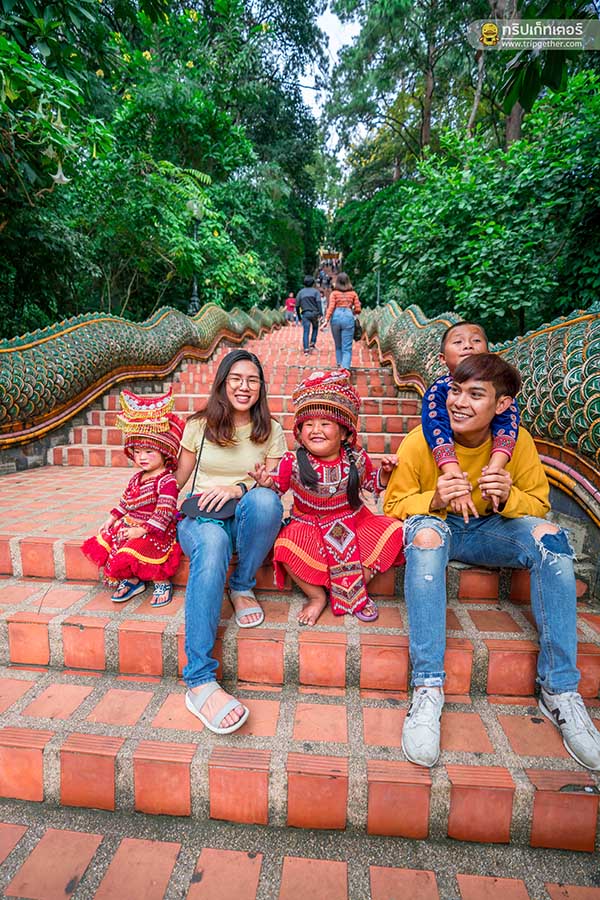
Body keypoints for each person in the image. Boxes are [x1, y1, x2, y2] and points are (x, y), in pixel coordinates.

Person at [384, 353, 600, 771]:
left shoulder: (517, 443)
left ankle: (560, 689)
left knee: (552, 540)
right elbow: (393, 505)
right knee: (426, 537)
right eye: (456, 391)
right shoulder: (420, 440)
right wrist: (435, 498)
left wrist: (508, 496)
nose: (459, 402)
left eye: (475, 394)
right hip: (439, 526)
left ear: (501, 404)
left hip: (489, 529)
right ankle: (427, 687)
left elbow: (538, 504)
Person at [175, 349, 286, 734]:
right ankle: (199, 679)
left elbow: (272, 484)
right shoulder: (198, 425)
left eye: (253, 380)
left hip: (245, 519)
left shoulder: (271, 430)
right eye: (236, 378)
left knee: (266, 501)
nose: (244, 386)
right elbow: (177, 479)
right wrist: (141, 500)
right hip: (201, 519)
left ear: (261, 387)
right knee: (213, 545)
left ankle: (241, 586)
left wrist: (241, 487)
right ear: (222, 382)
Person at [252, 369, 404, 626]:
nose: (316, 430)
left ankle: (356, 588)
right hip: (309, 527)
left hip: (355, 522)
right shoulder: (292, 462)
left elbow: (371, 483)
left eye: (325, 424)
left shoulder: (357, 458)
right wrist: (267, 483)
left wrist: (386, 473)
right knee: (285, 546)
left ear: (344, 433)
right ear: (299, 432)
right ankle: (317, 596)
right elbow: (278, 487)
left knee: (395, 530)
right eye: (308, 424)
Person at [82, 389, 184, 607]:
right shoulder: (137, 478)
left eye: (148, 451)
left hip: (156, 529)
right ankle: (133, 580)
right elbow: (125, 502)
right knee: (114, 540)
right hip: (132, 524)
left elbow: (164, 513)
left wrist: (142, 530)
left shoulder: (166, 481)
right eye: (137, 452)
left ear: (164, 451)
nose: (141, 457)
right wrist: (112, 518)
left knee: (142, 547)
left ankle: (161, 581)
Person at [423, 322, 520, 520]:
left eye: (476, 340)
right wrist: (455, 479)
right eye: (458, 342)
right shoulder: (438, 391)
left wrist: (494, 470)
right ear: (442, 358)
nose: (468, 345)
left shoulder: (500, 394)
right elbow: (436, 428)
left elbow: (508, 425)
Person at [322, 272, 361, 369]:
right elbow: (358, 309)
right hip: (348, 316)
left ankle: (339, 364)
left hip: (336, 317)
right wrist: (352, 310)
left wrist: (326, 320)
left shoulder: (334, 294)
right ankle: (345, 368)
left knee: (338, 345)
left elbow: (331, 307)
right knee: (347, 347)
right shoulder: (353, 294)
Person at [295, 275, 322, 354]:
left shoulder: (300, 292)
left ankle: (306, 348)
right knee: (315, 327)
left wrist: (299, 317)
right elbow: (319, 303)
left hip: (305, 314)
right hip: (314, 313)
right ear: (313, 283)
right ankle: (312, 342)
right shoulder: (316, 292)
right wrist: (320, 313)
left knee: (306, 331)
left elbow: (297, 306)